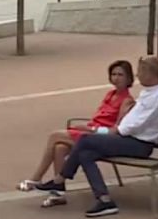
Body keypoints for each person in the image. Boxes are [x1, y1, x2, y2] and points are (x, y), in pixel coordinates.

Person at [29, 55, 158, 217]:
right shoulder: (148, 93)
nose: (138, 75)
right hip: (125, 138)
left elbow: (131, 126)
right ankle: (104, 200)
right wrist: (103, 131)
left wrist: (102, 131)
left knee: (84, 139)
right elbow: (122, 126)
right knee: (85, 153)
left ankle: (59, 180)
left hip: (139, 144)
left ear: (149, 73)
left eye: (140, 71)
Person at [18, 60, 135, 199]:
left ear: (128, 78)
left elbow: (117, 127)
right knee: (59, 147)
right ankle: (58, 192)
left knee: (54, 136)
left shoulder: (127, 100)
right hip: (90, 130)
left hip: (99, 137)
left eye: (120, 75)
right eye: (113, 74)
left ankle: (36, 178)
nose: (116, 78)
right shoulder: (110, 94)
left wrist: (91, 129)